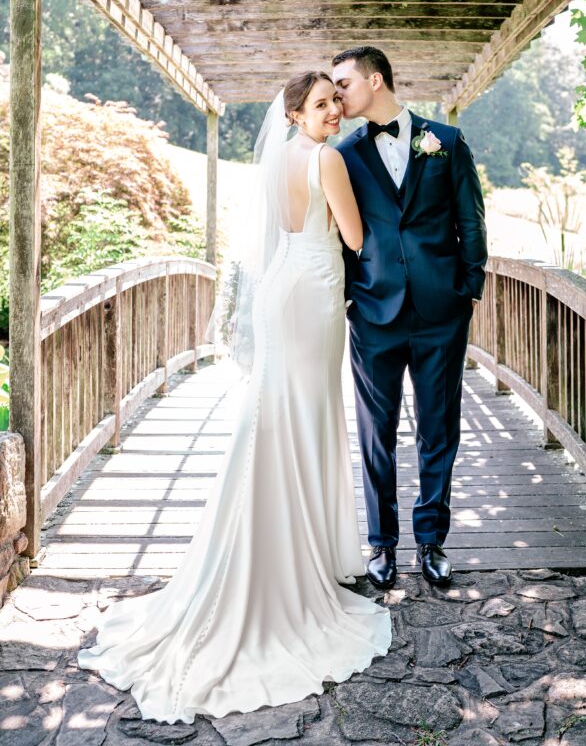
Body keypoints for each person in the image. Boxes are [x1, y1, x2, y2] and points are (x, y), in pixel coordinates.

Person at [77, 72, 391, 724]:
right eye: (322, 104)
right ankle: (297, 551)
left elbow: (281, 231)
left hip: (285, 290)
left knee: (278, 414)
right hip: (314, 294)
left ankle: (289, 537)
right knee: (305, 417)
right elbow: (356, 239)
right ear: (297, 114)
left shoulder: (281, 159)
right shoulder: (328, 158)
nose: (334, 110)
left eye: (337, 100)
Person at [333, 46, 488, 591]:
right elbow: (338, 238)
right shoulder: (344, 154)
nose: (336, 95)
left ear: (376, 81)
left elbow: (471, 219)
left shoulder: (444, 142)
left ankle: (432, 541)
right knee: (376, 432)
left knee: (438, 428)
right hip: (374, 313)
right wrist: (352, 296)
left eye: (344, 83)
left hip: (440, 312)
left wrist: (469, 288)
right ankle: (382, 542)